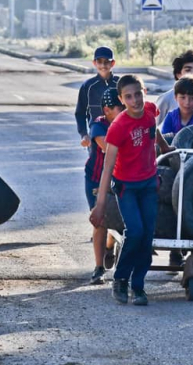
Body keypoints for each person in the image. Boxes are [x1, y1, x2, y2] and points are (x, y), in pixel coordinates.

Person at [90, 75, 173, 306]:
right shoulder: (118, 127)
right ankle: (120, 279)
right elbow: (108, 167)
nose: (135, 100)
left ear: (144, 92)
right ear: (121, 99)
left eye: (138, 94)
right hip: (126, 186)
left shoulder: (149, 111)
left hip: (148, 185)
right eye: (128, 96)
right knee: (135, 232)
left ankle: (138, 287)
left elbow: (153, 130)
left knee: (147, 236)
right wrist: (100, 205)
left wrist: (165, 148)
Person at [160, 75, 193, 271]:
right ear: (175, 98)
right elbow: (164, 142)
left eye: (192, 98)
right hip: (174, 171)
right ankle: (175, 253)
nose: (187, 102)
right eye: (183, 97)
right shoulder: (171, 117)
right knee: (173, 206)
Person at [85, 88, 124, 285]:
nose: (124, 110)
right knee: (100, 220)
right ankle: (99, 268)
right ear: (107, 110)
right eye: (120, 107)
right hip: (96, 179)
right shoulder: (98, 126)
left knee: (117, 220)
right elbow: (107, 148)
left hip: (121, 177)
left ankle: (110, 246)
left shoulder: (128, 122)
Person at [75, 46, 119, 148]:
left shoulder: (120, 84)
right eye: (99, 61)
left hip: (119, 133)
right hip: (96, 135)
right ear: (94, 63)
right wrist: (84, 134)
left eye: (107, 62)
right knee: (97, 163)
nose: (103, 65)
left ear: (112, 63)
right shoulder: (88, 86)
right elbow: (80, 112)